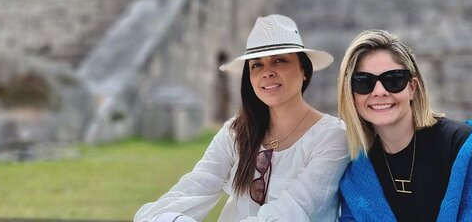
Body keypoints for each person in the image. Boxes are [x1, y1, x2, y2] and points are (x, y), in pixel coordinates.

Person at [135, 14, 349, 222]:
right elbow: (198, 184)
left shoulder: (332, 136)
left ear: (304, 70)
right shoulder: (237, 130)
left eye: (280, 61)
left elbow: (295, 209)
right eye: (257, 65)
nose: (267, 72)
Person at [336, 29, 472, 222]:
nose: (379, 91)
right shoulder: (357, 170)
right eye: (364, 83)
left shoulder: (463, 146)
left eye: (393, 80)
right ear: (351, 94)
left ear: (412, 87)